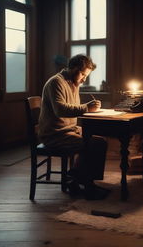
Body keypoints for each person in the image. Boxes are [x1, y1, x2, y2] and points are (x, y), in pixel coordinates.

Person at [38, 54, 109, 200]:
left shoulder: (73, 83)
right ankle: (86, 184)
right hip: (54, 134)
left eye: (86, 75)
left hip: (69, 130)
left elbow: (75, 108)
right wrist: (86, 108)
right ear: (74, 69)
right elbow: (60, 110)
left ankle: (76, 178)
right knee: (90, 143)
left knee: (100, 141)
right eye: (83, 74)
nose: (84, 79)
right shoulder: (56, 82)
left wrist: (88, 108)